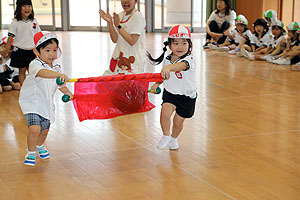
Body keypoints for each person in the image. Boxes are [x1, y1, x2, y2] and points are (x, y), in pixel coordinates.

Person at [19, 31, 73, 166]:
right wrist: (57, 75)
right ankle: (31, 153)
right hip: (31, 102)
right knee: (35, 129)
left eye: (54, 50)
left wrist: (68, 93)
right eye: (47, 50)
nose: (52, 54)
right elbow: (42, 73)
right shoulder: (35, 64)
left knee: (45, 130)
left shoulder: (56, 68)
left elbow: (60, 85)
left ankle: (40, 145)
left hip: (46, 104)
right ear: (37, 52)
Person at [147, 25, 197, 150]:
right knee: (164, 114)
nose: (180, 47)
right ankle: (165, 135)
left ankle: (174, 138)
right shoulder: (168, 59)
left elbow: (181, 66)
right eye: (176, 43)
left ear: (189, 44)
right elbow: (165, 75)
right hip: (170, 93)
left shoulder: (189, 59)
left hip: (187, 96)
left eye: (184, 43)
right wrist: (157, 83)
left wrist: (168, 68)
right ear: (169, 45)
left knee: (177, 122)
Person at [0, 0, 41, 86]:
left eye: (29, 6)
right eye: (24, 6)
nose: (27, 8)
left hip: (32, 51)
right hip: (20, 51)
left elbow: (38, 36)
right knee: (22, 71)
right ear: (19, 8)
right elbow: (10, 37)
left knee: (32, 71)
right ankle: (24, 89)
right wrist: (6, 50)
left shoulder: (34, 21)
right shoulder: (15, 22)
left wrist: (40, 49)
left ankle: (33, 88)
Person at [99, 0, 146, 74]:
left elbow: (132, 41)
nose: (126, 1)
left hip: (132, 61)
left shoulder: (138, 17)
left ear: (136, 1)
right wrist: (110, 23)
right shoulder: (120, 16)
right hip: (119, 58)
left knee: (128, 84)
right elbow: (115, 39)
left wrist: (118, 25)